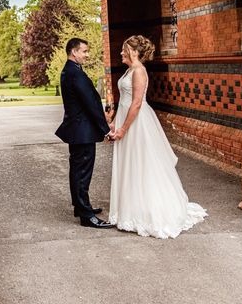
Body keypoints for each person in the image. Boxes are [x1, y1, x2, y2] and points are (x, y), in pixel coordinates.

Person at [107, 35, 207, 238]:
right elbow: (124, 102)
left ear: (134, 52)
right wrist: (114, 122)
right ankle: (131, 207)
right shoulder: (129, 70)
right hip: (126, 120)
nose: (121, 53)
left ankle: (148, 210)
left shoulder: (139, 71)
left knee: (143, 163)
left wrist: (124, 129)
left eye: (124, 49)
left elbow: (136, 104)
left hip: (137, 123)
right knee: (131, 164)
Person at [55, 38, 114, 229]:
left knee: (78, 170)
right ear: (74, 52)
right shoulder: (75, 74)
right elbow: (90, 104)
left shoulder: (71, 70)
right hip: (82, 131)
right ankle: (86, 216)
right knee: (82, 172)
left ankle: (81, 207)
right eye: (84, 51)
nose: (87, 55)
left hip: (79, 130)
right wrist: (106, 129)